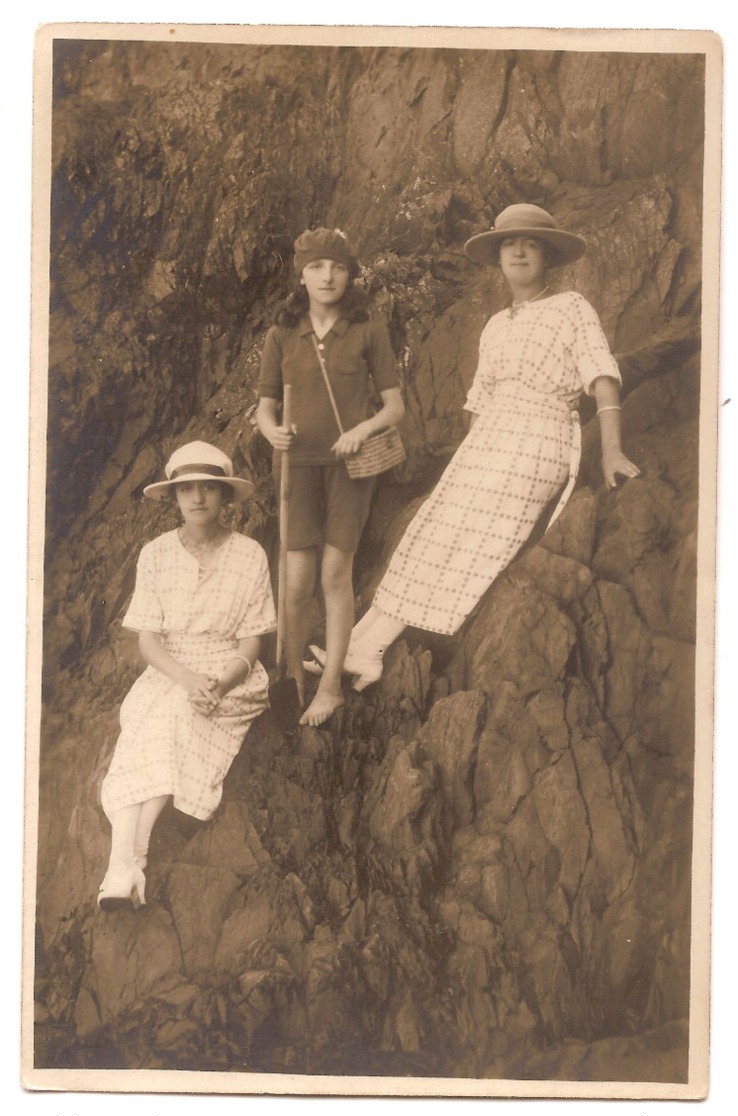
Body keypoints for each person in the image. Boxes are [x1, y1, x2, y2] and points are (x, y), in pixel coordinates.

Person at [309, 203, 641, 690]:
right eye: (511, 244)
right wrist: (468, 466)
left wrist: (611, 452)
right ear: (500, 256)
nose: (520, 252)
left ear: (547, 255)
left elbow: (602, 377)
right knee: (433, 524)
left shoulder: (571, 307)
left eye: (531, 244)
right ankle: (361, 646)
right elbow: (478, 406)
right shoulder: (495, 326)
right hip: (490, 441)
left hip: (542, 432)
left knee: (470, 528)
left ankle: (367, 648)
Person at [97, 441, 276, 911]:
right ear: (174, 498)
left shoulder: (249, 554)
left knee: (171, 721)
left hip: (228, 674)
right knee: (145, 721)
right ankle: (128, 863)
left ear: (224, 497)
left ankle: (125, 865)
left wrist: (220, 682)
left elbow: (253, 640)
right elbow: (149, 642)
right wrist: (186, 678)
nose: (197, 498)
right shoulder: (155, 553)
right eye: (186, 490)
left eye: (208, 489)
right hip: (171, 669)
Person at [255, 227, 404, 727]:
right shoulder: (281, 335)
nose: (328, 276)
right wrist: (273, 433)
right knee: (294, 581)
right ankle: (293, 677)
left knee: (333, 576)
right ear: (301, 274)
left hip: (348, 471)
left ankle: (331, 685)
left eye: (338, 267)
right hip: (295, 469)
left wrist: (361, 430)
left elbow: (394, 407)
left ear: (350, 275)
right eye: (318, 266)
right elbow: (264, 409)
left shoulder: (368, 331)